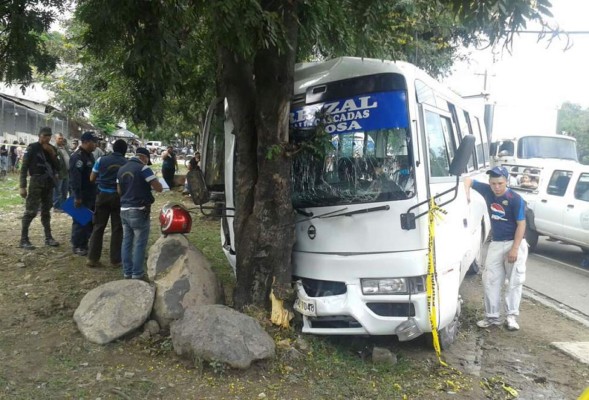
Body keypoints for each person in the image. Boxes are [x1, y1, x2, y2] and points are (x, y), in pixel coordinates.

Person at [464, 166, 527, 331]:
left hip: (514, 242)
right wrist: (467, 195)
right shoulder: (488, 191)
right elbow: (468, 180)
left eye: (500, 183)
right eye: (493, 183)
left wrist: (514, 249)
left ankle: (511, 317)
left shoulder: (515, 199)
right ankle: (492, 317)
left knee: (514, 281)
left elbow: (521, 225)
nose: (496, 187)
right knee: (490, 279)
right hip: (496, 243)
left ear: (506, 181)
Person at [117, 147, 163, 279]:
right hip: (139, 210)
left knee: (126, 241)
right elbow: (158, 188)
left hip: (124, 209)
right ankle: (137, 273)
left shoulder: (121, 169)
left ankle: (127, 272)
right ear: (144, 157)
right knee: (139, 243)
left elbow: (119, 191)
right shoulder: (144, 169)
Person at [86, 139, 128, 268]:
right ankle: (115, 260)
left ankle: (92, 258)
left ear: (113, 148)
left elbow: (92, 178)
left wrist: (103, 180)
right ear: (125, 150)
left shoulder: (101, 160)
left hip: (102, 196)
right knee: (117, 228)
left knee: (98, 227)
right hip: (118, 197)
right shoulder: (126, 163)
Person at [18, 127, 60, 249]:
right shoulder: (32, 148)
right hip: (36, 182)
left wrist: (52, 154)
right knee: (31, 211)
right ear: (39, 136)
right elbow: (24, 168)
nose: (47, 138)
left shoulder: (52, 149)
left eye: (49, 136)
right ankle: (23, 239)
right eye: (44, 136)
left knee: (46, 211)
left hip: (48, 182)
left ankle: (48, 237)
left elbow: (58, 166)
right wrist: (22, 186)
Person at [69, 131, 98, 256]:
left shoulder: (89, 156)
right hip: (82, 194)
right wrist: (77, 196)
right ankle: (77, 245)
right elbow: (75, 178)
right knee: (80, 220)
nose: (95, 145)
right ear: (86, 142)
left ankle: (84, 243)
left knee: (89, 220)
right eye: (93, 142)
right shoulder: (78, 157)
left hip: (91, 193)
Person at [52, 133, 71, 212]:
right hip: (59, 173)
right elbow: (52, 161)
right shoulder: (53, 148)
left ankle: (63, 206)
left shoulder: (65, 147)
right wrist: (55, 172)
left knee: (64, 190)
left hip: (66, 172)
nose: (61, 140)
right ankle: (56, 206)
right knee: (57, 190)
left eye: (62, 138)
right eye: (59, 138)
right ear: (55, 139)